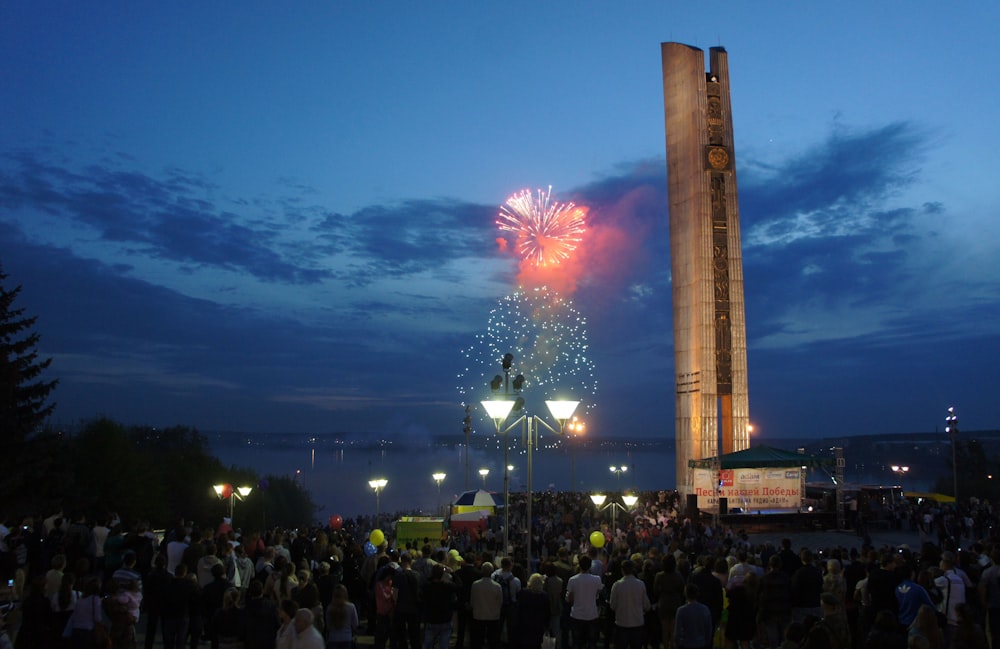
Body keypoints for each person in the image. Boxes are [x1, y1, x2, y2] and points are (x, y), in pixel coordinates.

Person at [610, 559, 651, 649]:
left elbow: (612, 605)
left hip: (622, 622)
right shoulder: (640, 584)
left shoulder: (617, 585)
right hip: (637, 622)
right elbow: (646, 605)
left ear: (622, 570)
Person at [566, 556, 603, 649]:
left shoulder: (573, 580)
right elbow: (597, 594)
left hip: (577, 614)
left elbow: (570, 598)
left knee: (577, 642)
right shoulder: (597, 579)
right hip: (592, 614)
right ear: (590, 566)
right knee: (591, 643)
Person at [423, 564, 457, 649]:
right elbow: (459, 585)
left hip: (431, 619)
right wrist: (452, 573)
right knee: (444, 645)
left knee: (428, 644)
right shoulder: (447, 586)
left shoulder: (427, 586)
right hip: (445, 619)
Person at [656, 555, 687, 649]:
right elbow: (682, 588)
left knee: (665, 629)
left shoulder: (659, 576)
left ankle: (665, 646)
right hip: (675, 602)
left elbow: (655, 590)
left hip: (663, 602)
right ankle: (672, 646)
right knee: (674, 629)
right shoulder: (678, 575)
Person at [471, 562, 503, 649]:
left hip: (479, 615)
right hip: (493, 616)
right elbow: (500, 602)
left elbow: (472, 601)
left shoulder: (475, 584)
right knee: (493, 641)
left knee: (478, 640)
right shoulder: (497, 586)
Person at [516, 573, 552, 649]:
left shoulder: (523, 593)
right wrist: (547, 626)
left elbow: (518, 609)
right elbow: (547, 613)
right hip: (538, 626)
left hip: (524, 625)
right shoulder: (544, 596)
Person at [674, 584, 712, 649]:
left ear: (685, 594)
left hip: (686, 644)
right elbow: (708, 629)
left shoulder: (681, 610)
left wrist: (679, 644)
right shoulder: (705, 609)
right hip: (701, 643)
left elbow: (677, 632)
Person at [244, 580, 280, 649]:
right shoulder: (271, 606)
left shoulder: (247, 608)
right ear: (262, 591)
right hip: (268, 642)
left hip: (252, 643)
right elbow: (277, 624)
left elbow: (243, 627)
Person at [325, 583, 359, 649]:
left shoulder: (329, 608)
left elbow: (328, 626)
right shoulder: (351, 607)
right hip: (347, 638)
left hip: (333, 638)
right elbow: (355, 624)